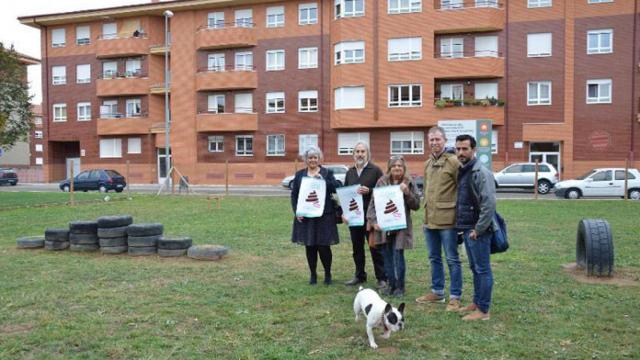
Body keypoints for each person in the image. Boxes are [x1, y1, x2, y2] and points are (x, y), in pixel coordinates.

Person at [415, 126, 463, 312]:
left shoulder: (453, 162)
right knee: (434, 257)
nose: (434, 143)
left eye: (437, 139)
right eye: (431, 140)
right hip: (430, 219)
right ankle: (437, 291)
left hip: (448, 220)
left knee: (452, 259)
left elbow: (462, 189)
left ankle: (455, 296)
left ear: (445, 141)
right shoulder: (427, 164)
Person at [454, 134, 497, 321]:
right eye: (458, 149)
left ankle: (483, 310)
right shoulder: (464, 170)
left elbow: (489, 205)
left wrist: (478, 230)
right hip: (467, 229)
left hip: (477, 231)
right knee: (474, 268)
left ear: (474, 150)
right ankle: (476, 302)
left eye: (465, 149)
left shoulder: (481, 172)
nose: (461, 152)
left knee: (482, 269)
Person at [367, 155, 421, 297]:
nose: (397, 168)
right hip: (384, 227)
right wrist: (373, 222)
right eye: (394, 166)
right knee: (387, 256)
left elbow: (416, 205)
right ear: (389, 168)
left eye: (400, 166)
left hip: (401, 227)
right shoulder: (381, 182)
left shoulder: (409, 182)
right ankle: (391, 284)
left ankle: (400, 287)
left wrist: (407, 193)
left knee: (398, 256)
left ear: (404, 168)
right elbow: (372, 205)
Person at [291, 146, 340, 285]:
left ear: (319, 159)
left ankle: (328, 274)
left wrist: (323, 180)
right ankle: (313, 274)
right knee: (310, 245)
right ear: (306, 160)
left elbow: (336, 188)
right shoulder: (300, 174)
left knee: (324, 246)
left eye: (315, 157)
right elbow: (294, 195)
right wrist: (297, 211)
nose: (313, 160)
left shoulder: (326, 173)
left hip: (324, 216)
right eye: (310, 158)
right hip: (306, 216)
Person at [343, 141, 387, 288]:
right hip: (354, 217)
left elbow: (384, 191)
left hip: (370, 218)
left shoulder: (375, 170)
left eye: (363, 151)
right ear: (353, 154)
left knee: (375, 248)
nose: (360, 154)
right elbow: (346, 194)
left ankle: (382, 278)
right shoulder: (350, 172)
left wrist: (370, 190)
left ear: (368, 153)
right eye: (357, 152)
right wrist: (344, 212)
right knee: (357, 248)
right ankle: (359, 275)